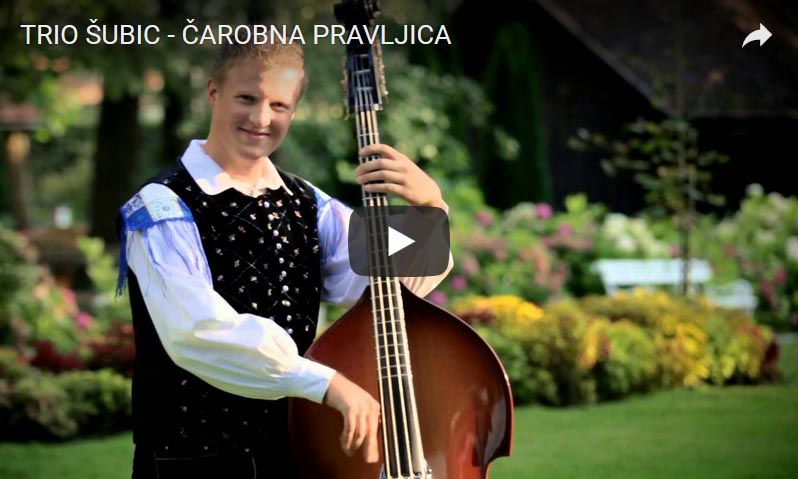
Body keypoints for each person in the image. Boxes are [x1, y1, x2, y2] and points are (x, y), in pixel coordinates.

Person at [117, 41, 451, 478]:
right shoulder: (160, 205)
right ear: (214, 91)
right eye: (247, 98)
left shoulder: (307, 202)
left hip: (291, 452)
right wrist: (326, 383)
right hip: (191, 461)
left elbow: (383, 287)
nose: (261, 118)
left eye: (279, 105)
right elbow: (197, 330)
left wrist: (431, 207)